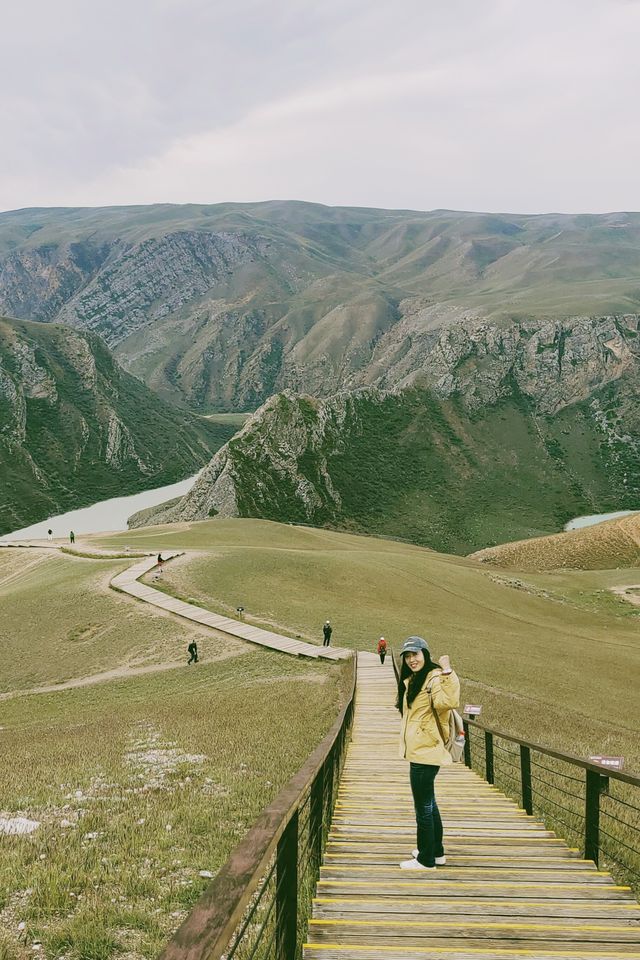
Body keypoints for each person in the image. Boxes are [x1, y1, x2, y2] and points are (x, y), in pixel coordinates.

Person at [396, 636, 460, 871]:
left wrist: (447, 671)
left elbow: (449, 701)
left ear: (425, 653)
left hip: (426, 751)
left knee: (422, 807)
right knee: (429, 804)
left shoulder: (433, 677)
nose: (412, 659)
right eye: (408, 656)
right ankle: (436, 851)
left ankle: (425, 860)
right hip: (421, 749)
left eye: (416, 654)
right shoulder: (415, 680)